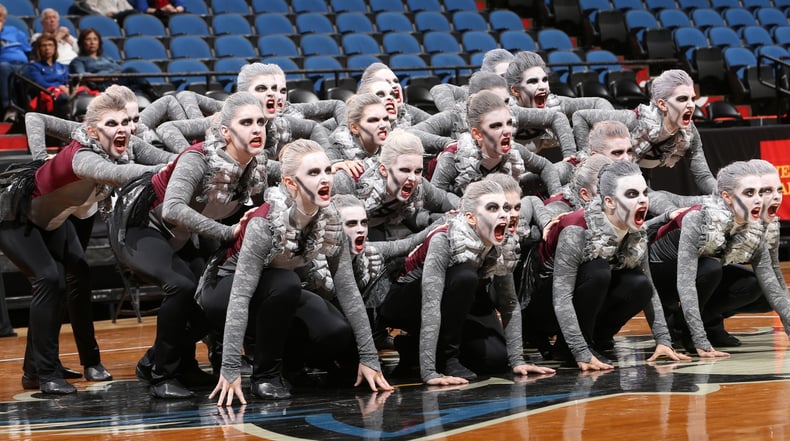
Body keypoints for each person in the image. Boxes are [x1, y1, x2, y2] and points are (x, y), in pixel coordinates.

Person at [0, 92, 166, 394]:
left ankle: (35, 368)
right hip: (14, 215)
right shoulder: (83, 156)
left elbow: (163, 157)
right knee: (49, 279)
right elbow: (119, 174)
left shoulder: (124, 145)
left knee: (73, 273)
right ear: (92, 131)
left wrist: (194, 158)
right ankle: (47, 373)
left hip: (53, 219)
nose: (123, 128)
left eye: (127, 122)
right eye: (112, 123)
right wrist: (39, 161)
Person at [206, 139, 392, 406]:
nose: (326, 179)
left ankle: (290, 365)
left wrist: (369, 358)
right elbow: (239, 297)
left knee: (335, 331)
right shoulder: (264, 223)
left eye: (328, 171)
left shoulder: (331, 218)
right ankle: (265, 375)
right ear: (291, 183)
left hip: (276, 290)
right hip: (224, 289)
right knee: (286, 282)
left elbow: (348, 290)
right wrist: (230, 368)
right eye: (314, 173)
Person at [109, 91, 268, 399]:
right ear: (225, 132)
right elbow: (172, 209)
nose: (257, 128)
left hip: (180, 234)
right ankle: (162, 376)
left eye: (260, 121)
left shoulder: (256, 165)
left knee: (208, 299)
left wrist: (337, 166)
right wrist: (227, 232)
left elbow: (291, 171)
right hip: (140, 225)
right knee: (181, 286)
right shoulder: (198, 158)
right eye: (247, 122)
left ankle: (166, 361)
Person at [379, 180, 554, 384]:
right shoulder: (444, 239)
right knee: (465, 276)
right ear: (471, 218)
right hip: (408, 300)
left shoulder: (503, 240)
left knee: (495, 360)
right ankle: (444, 357)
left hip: (459, 298)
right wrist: (430, 372)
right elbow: (430, 305)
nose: (504, 215)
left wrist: (517, 360)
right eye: (492, 208)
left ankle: (412, 347)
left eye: (505, 208)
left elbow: (509, 303)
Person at [537, 161, 688, 369]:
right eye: (632, 195)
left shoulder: (636, 231)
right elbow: (561, 297)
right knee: (598, 271)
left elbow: (650, 290)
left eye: (644, 193)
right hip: (544, 305)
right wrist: (579, 351)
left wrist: (663, 341)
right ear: (609, 202)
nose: (643, 201)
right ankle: (570, 347)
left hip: (582, 296)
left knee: (639, 284)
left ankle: (598, 340)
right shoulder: (576, 229)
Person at [647, 161, 788, 356]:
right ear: (727, 197)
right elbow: (686, 282)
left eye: (777, 190)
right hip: (663, 273)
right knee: (711, 269)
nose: (765, 199)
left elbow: (773, 283)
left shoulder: (760, 224)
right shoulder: (703, 213)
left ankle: (700, 323)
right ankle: (685, 329)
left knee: (758, 290)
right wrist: (699, 340)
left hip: (703, 271)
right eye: (754, 192)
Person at [572, 69, 716, 206]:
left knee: (657, 201)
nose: (691, 105)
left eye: (692, 98)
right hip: (597, 185)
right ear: (662, 104)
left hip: (636, 183)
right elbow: (581, 116)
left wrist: (724, 193)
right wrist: (586, 159)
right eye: (683, 99)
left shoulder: (689, 132)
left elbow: (703, 176)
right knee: (661, 201)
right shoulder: (634, 120)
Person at [333, 129, 460, 241]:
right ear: (383, 170)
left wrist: (469, 208)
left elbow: (444, 199)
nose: (412, 178)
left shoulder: (418, 183)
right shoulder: (351, 179)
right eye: (404, 170)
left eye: (418, 171)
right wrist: (332, 164)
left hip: (375, 228)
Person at [504, 50, 612, 157]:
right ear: (515, 91)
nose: (543, 87)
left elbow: (599, 102)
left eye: (544, 80)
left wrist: (607, 130)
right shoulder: (505, 113)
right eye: (533, 81)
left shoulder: (554, 104)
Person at [431, 91, 539, 196]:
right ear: (477, 134)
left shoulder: (515, 151)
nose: (507, 131)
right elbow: (431, 205)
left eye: (509, 123)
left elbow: (545, 167)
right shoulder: (452, 157)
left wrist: (555, 195)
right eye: (496, 126)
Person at [69, 28, 152, 98]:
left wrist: (117, 74)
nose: (92, 42)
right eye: (88, 39)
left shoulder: (107, 58)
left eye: (95, 39)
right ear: (82, 43)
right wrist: (106, 77)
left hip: (118, 81)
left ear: (99, 42)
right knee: (130, 70)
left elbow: (119, 70)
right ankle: (152, 94)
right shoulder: (78, 60)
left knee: (138, 89)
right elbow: (82, 76)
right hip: (102, 85)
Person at [431, 48, 515, 112]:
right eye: (503, 76)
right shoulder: (475, 93)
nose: (509, 81)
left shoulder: (520, 94)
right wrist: (453, 116)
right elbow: (439, 89)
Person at [24, 34, 71, 118]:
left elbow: (66, 81)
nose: (47, 48)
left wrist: (67, 88)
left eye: (50, 45)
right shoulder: (34, 66)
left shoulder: (61, 66)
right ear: (39, 49)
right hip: (45, 95)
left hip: (63, 92)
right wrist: (59, 87)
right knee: (63, 97)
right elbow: (40, 83)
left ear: (55, 48)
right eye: (43, 45)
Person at [0, 5, 33, 121]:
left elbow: (28, 51)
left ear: (4, 18)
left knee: (33, 69)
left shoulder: (14, 31)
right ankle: (9, 107)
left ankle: (29, 110)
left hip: (23, 64)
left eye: (0, 16)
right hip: (5, 64)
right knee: (3, 68)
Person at [70, 0, 139, 24]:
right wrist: (104, 13)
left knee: (135, 13)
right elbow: (89, 6)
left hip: (120, 17)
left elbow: (130, 9)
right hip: (107, 17)